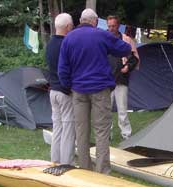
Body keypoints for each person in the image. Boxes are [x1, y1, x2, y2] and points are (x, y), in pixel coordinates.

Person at [58, 8, 131, 174]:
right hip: (100, 89)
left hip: (78, 90)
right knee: (101, 130)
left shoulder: (69, 38)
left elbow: (62, 68)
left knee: (81, 131)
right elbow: (125, 49)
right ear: (95, 21)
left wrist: (69, 86)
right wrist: (125, 40)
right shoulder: (101, 35)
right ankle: (102, 170)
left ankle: (84, 169)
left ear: (80, 20)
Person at [46, 13, 74, 165]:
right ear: (68, 27)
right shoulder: (67, 44)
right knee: (68, 129)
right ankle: (66, 163)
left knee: (57, 128)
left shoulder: (50, 44)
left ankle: (54, 160)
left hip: (53, 91)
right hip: (64, 91)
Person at [107, 15, 140, 140]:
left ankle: (126, 134)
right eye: (109, 26)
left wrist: (128, 67)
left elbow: (134, 58)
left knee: (122, 110)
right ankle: (106, 134)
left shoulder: (125, 40)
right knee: (106, 110)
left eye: (113, 26)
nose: (111, 28)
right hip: (106, 80)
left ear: (118, 26)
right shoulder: (103, 39)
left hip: (121, 79)